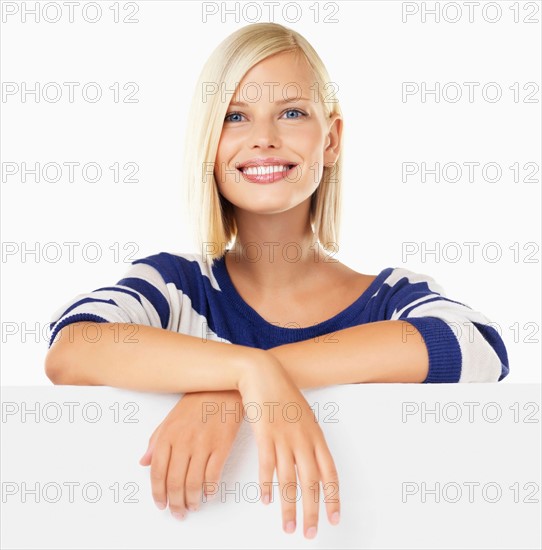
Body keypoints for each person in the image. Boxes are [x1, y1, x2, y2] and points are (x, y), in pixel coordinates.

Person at [44, 22, 509, 540]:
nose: (264, 138)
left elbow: (478, 349)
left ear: (331, 140)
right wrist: (246, 369)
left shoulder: (388, 297)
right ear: (209, 141)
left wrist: (248, 384)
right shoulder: (176, 285)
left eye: (291, 113)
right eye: (235, 116)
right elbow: (73, 349)